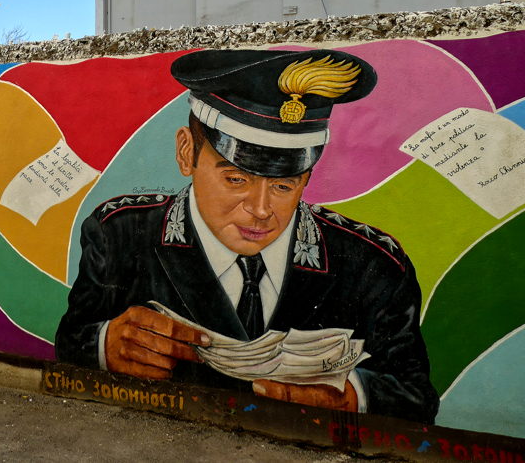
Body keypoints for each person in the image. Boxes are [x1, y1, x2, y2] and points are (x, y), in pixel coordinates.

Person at [55, 49, 439, 423]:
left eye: (285, 185)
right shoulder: (120, 234)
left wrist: (355, 397)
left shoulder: (374, 267)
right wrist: (106, 345)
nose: (261, 209)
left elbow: (416, 395)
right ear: (187, 153)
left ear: (306, 177)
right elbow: (72, 340)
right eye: (237, 179)